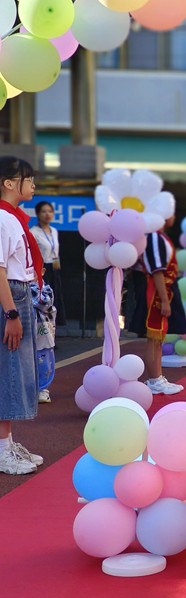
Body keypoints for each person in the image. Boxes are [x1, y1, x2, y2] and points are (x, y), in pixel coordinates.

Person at [0, 157, 44, 475]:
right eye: (28, 179)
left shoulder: (13, 218)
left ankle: (8, 441)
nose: (33, 185)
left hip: (19, 291)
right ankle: (3, 449)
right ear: (9, 183)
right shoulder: (3, 218)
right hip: (11, 296)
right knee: (11, 369)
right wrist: (11, 312)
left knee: (18, 368)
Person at [127, 216, 186, 395]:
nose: (172, 216)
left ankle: (158, 377)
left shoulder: (160, 236)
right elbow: (156, 271)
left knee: (158, 339)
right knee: (154, 339)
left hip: (163, 290)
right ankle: (154, 380)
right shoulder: (153, 237)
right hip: (154, 293)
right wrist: (164, 299)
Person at [30, 201, 66, 330]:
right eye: (44, 211)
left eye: (50, 211)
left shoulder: (54, 231)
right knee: (43, 301)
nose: (47, 214)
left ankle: (53, 332)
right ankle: (42, 333)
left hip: (55, 268)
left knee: (55, 300)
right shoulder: (33, 232)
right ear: (38, 214)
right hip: (42, 269)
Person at [31, 280, 56, 404]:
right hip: (26, 334)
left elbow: (45, 303)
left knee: (44, 363)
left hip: (43, 335)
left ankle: (42, 389)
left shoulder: (46, 289)